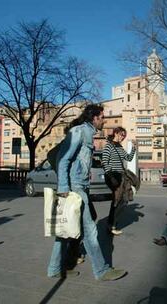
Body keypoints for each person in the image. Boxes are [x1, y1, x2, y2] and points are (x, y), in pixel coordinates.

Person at [47, 104, 127, 281]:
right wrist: (63, 189)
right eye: (102, 117)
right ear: (94, 117)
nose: (104, 120)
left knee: (65, 231)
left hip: (80, 186)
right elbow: (63, 159)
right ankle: (102, 270)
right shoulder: (79, 131)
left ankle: (54, 269)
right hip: (75, 188)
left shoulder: (88, 133)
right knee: (90, 230)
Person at [102, 127, 137, 235]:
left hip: (120, 176)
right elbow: (104, 162)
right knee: (117, 200)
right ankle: (111, 225)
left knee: (121, 200)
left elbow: (128, 158)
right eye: (121, 135)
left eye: (124, 136)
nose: (123, 137)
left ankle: (112, 223)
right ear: (116, 133)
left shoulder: (120, 147)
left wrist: (134, 148)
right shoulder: (109, 145)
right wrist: (110, 176)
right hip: (113, 176)